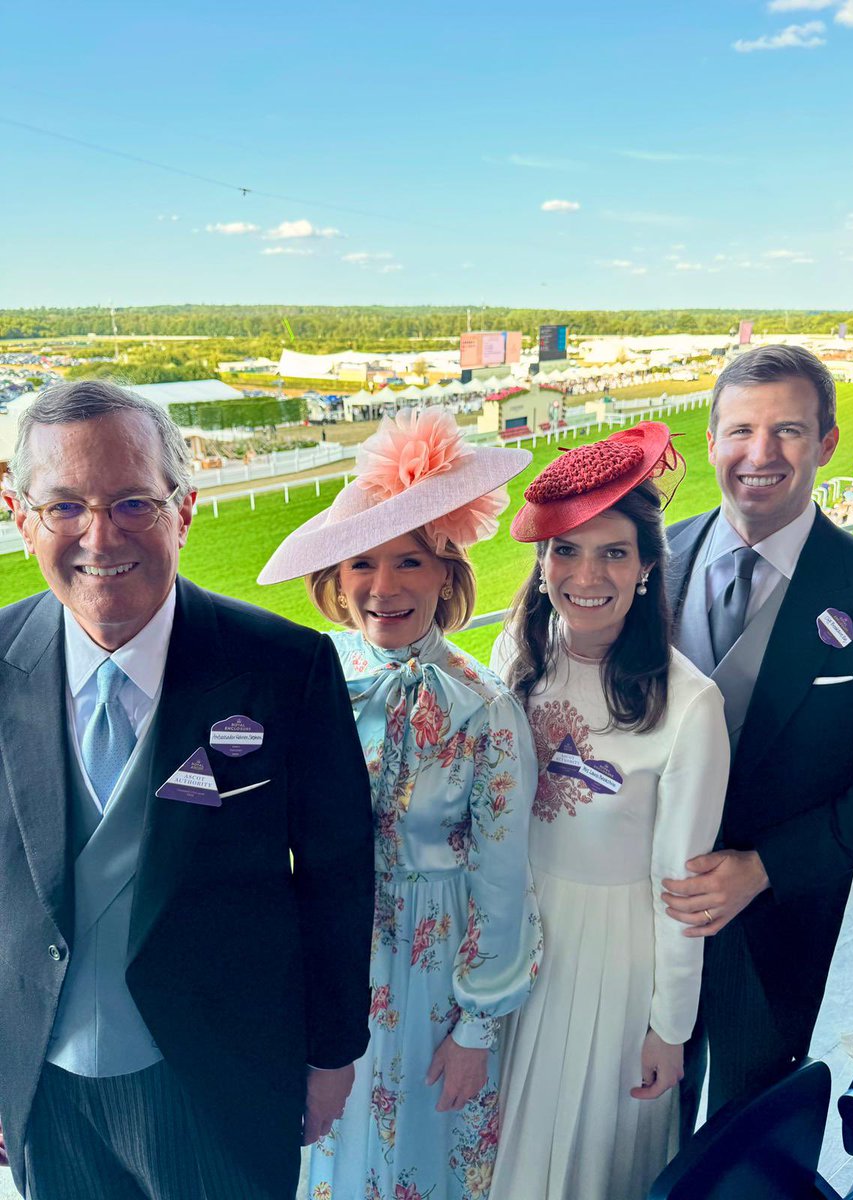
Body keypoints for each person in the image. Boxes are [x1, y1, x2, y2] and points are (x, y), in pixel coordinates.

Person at [0, 380, 375, 1200]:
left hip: (224, 1082)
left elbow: (338, 876)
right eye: (64, 507)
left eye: (134, 502)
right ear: (20, 516)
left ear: (186, 508)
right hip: (43, 1090)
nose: (101, 537)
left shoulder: (285, 667)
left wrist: (331, 1053)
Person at [258, 408, 543, 1200]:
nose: (384, 588)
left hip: (433, 970)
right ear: (336, 578)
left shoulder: (485, 708)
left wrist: (476, 1028)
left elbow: (503, 880)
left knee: (419, 1153)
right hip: (327, 960)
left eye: (410, 561)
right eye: (363, 564)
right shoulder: (310, 681)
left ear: (447, 573)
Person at [488, 423, 730, 1200]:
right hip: (512, 945)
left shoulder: (690, 706)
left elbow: (681, 890)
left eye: (615, 553)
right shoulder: (514, 656)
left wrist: (671, 1026)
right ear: (541, 559)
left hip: (614, 962)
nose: (586, 574)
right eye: (566, 549)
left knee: (585, 1161)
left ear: (649, 567)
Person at [663, 345, 853, 1132]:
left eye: (788, 431)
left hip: (776, 927)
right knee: (637, 1122)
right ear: (711, 442)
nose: (759, 454)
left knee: (746, 1140)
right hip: (639, 911)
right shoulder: (651, 562)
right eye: (741, 430)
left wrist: (760, 870)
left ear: (827, 442)